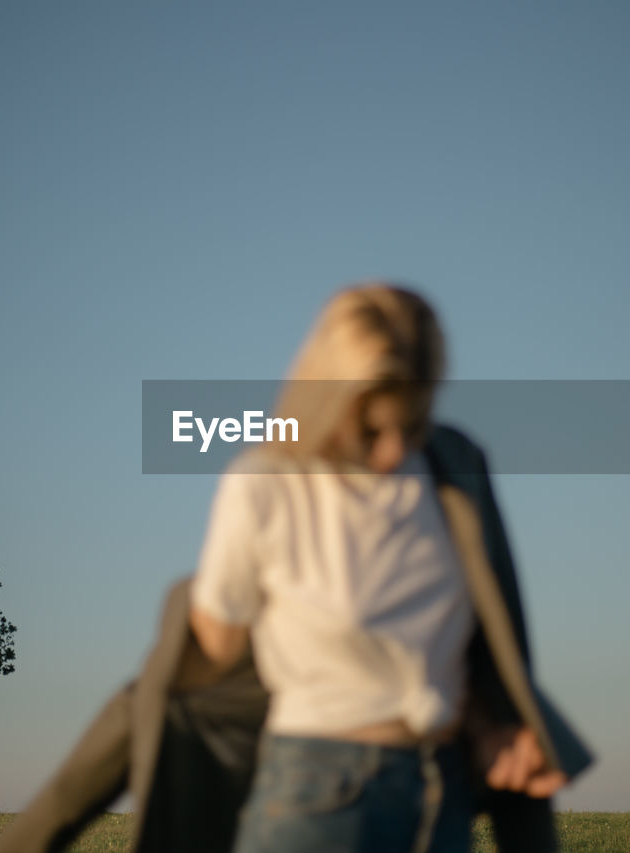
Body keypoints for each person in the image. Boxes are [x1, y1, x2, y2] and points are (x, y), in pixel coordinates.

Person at [187, 283, 581, 853]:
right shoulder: (265, 479)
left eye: (414, 424)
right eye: (371, 430)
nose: (395, 451)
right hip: (317, 793)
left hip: (439, 793)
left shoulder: (455, 464)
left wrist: (493, 727)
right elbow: (219, 642)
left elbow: (492, 639)